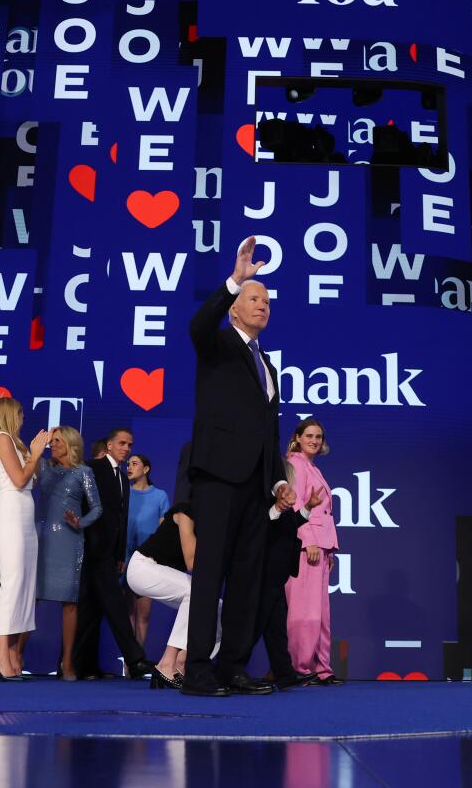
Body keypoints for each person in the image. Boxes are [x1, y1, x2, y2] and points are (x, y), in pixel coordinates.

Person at [183, 235, 289, 697]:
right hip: (219, 480)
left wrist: (280, 480)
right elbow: (198, 324)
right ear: (235, 307)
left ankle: (233, 667)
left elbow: (269, 430)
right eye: (253, 298)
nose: (262, 305)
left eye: (266, 300)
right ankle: (198, 671)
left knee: (248, 579)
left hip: (257, 487)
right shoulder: (218, 344)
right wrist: (234, 278)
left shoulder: (268, 364)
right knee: (210, 578)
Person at [74, 428, 154, 680]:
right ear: (109, 445)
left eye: (130, 444)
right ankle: (136, 659)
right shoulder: (92, 468)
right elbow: (84, 504)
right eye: (121, 443)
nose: (126, 448)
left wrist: (120, 554)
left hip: (109, 553)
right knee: (116, 606)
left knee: (91, 611)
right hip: (92, 550)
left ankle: (82, 666)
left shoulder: (122, 477)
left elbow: (120, 518)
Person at [0, 397, 50, 681]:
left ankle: (12, 653)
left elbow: (29, 481)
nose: (23, 418)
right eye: (20, 414)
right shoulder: (1, 438)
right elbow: (20, 481)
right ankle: (1, 653)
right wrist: (34, 454)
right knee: (12, 586)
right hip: (9, 517)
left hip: (24, 518)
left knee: (24, 586)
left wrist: (32, 454)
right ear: (9, 414)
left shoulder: (14, 442)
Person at [35, 426, 102, 681]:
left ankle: (67, 663)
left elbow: (97, 508)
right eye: (51, 441)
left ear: (71, 444)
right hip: (43, 540)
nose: (53, 445)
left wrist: (79, 522)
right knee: (32, 599)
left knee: (70, 603)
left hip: (70, 541)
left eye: (57, 441)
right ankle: (15, 654)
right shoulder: (44, 467)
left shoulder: (84, 472)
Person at [124, 503, 212, 689]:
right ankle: (166, 664)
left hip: (155, 570)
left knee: (216, 608)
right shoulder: (187, 511)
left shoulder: (213, 523)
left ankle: (182, 663)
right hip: (143, 567)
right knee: (196, 593)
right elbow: (191, 562)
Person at [283, 419, 341, 686]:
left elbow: (323, 511)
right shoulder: (296, 463)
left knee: (320, 613)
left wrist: (330, 548)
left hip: (321, 546)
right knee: (304, 613)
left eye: (318, 436)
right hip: (306, 546)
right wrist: (308, 540)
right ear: (297, 437)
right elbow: (295, 506)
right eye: (309, 435)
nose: (314, 441)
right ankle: (301, 668)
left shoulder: (311, 467)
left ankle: (321, 668)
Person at [255, 483, 321, 692]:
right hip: (263, 575)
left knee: (277, 629)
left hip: (278, 577)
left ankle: (284, 674)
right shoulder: (265, 504)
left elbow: (292, 524)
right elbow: (265, 524)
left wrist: (308, 507)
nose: (289, 488)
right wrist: (278, 508)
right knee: (254, 627)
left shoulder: (287, 507)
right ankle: (229, 671)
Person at [125, 453, 171, 647]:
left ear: (146, 469)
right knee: (128, 612)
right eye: (127, 464)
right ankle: (130, 661)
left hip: (148, 561)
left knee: (143, 613)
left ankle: (139, 658)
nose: (129, 467)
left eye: (134, 464)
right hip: (124, 559)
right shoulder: (124, 493)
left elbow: (163, 531)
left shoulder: (160, 496)